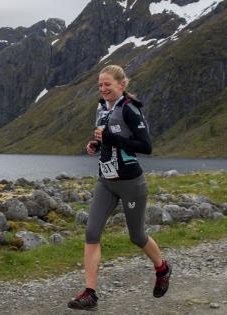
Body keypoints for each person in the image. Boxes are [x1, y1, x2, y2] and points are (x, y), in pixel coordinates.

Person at [67, 65, 171, 311]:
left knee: (137, 236)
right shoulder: (101, 108)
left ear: (121, 85)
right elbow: (104, 139)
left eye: (108, 85)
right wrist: (94, 145)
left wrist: (112, 140)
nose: (103, 89)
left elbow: (146, 146)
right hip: (105, 181)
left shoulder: (130, 109)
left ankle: (163, 268)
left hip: (131, 184)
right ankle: (89, 293)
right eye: (100, 85)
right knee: (92, 234)